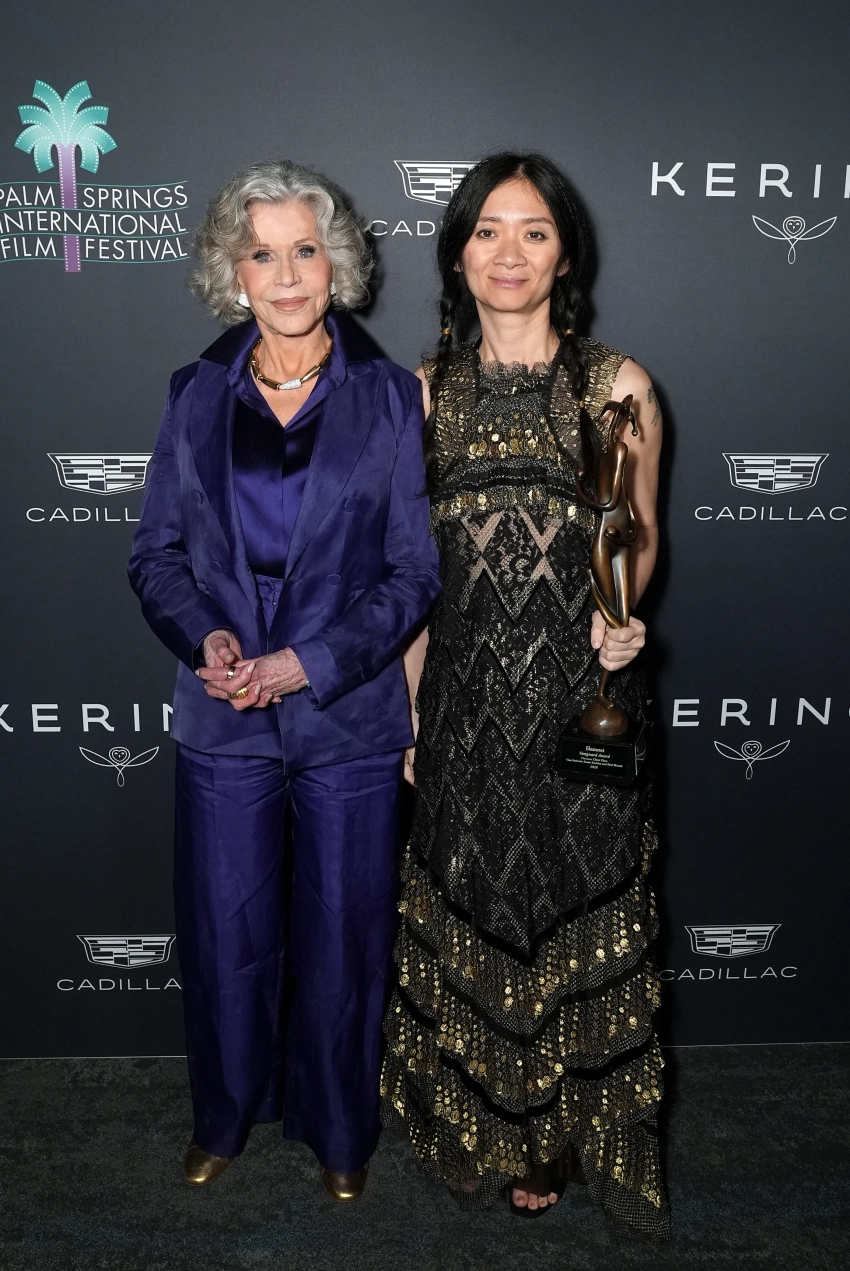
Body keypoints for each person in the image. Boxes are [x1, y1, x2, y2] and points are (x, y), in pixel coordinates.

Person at [128, 160, 440, 1202]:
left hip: (348, 712)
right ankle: (222, 1115)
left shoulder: (389, 397)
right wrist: (206, 640)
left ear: (336, 263)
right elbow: (156, 556)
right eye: (262, 254)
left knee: (347, 935)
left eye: (305, 249)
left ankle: (341, 1128)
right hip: (224, 716)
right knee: (226, 932)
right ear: (235, 273)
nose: (288, 272)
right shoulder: (192, 393)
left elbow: (413, 573)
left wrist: (308, 661)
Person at [381, 152, 670, 1239]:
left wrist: (625, 616)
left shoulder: (617, 386)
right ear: (458, 252)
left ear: (565, 254)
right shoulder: (421, 396)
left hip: (583, 704)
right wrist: (413, 712)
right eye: (488, 230)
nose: (510, 252)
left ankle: (552, 1132)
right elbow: (409, 582)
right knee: (478, 909)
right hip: (463, 706)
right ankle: (484, 1120)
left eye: (534, 231)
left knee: (572, 908)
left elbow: (638, 532)